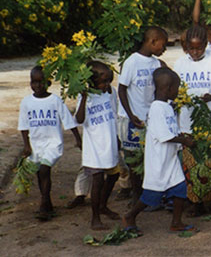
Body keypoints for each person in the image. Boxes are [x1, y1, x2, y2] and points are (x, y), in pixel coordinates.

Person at [122, 67, 196, 234]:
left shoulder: (167, 106)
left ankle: (176, 222)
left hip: (169, 158)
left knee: (180, 189)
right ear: (168, 89)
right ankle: (130, 216)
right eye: (177, 88)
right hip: (158, 160)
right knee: (151, 195)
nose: (178, 91)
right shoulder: (156, 108)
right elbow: (164, 135)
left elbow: (171, 130)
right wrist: (184, 140)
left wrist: (182, 136)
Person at [18, 66, 82, 221]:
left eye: (41, 82)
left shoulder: (55, 101)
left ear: (48, 83)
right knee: (41, 173)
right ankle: (48, 202)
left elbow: (68, 121)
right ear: (30, 83)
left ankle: (43, 203)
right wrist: (26, 145)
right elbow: (23, 126)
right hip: (36, 144)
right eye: (34, 82)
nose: (38, 86)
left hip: (53, 143)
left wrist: (78, 139)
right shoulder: (27, 102)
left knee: (45, 169)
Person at [117, 26, 167, 203]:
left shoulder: (156, 63)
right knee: (133, 161)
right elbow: (121, 90)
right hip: (132, 120)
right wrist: (130, 115)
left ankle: (149, 196)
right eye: (163, 44)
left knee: (149, 159)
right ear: (152, 41)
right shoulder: (132, 62)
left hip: (149, 119)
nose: (164, 49)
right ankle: (136, 195)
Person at [74, 61, 120, 230]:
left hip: (109, 143)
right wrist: (84, 98)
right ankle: (95, 218)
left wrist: (117, 137)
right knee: (98, 180)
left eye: (109, 81)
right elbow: (79, 119)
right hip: (94, 148)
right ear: (91, 82)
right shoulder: (86, 97)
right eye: (103, 81)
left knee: (114, 175)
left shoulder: (110, 93)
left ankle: (103, 204)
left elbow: (113, 115)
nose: (107, 84)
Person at [174, 25, 211, 132]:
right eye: (191, 48)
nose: (195, 52)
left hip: (208, 119)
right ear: (186, 46)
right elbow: (174, 90)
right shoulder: (180, 63)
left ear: (205, 45)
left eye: (199, 48)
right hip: (186, 121)